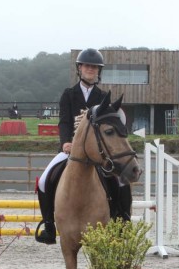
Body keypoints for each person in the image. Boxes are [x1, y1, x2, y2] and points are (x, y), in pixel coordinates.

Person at [34, 48, 132, 244]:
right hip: (72, 150)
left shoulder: (103, 97)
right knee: (45, 180)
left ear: (98, 71)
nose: (90, 69)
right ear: (80, 68)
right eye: (87, 66)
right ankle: (49, 226)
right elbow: (64, 122)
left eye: (94, 67)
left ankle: (121, 221)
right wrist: (65, 143)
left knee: (121, 180)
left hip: (97, 152)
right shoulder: (68, 95)